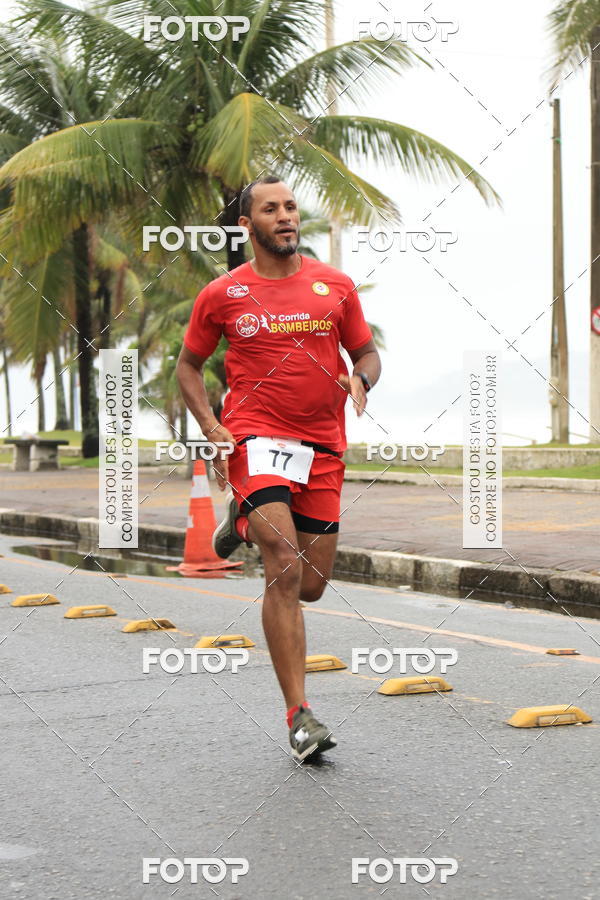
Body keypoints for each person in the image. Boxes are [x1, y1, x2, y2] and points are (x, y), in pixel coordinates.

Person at [176, 175, 381, 761]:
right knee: (284, 568)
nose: (286, 216)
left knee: (311, 585)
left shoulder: (334, 285)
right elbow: (189, 367)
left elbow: (366, 352)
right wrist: (212, 426)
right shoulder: (223, 294)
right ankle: (299, 716)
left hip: (323, 446)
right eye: (271, 209)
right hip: (255, 436)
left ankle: (240, 521)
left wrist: (360, 379)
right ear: (247, 225)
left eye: (291, 206)